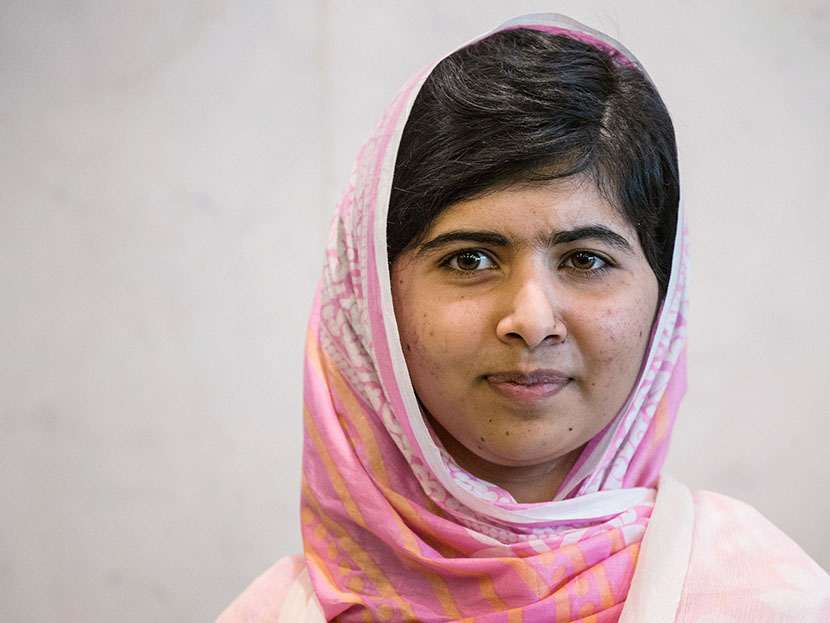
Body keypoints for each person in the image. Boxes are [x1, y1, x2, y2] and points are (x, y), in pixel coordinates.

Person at [218, 13, 830, 622]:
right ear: (373, 301)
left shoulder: (763, 600)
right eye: (471, 258)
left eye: (586, 259)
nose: (532, 320)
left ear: (663, 300)